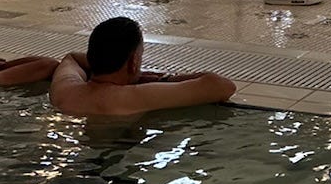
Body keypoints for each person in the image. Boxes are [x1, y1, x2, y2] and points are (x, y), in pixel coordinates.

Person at [48, 16, 236, 115]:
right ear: (133, 62)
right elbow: (222, 86)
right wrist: (166, 79)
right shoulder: (136, 97)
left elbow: (71, 58)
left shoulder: (65, 90)